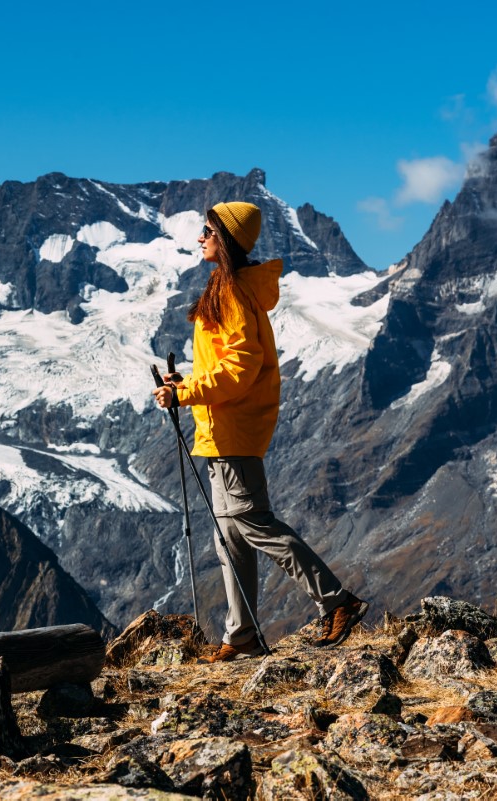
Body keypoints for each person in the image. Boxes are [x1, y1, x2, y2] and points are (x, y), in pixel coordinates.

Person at [151, 201, 368, 661]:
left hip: (231, 430)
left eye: (208, 230)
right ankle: (242, 636)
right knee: (229, 533)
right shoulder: (230, 288)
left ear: (225, 238)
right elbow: (227, 366)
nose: (200, 237)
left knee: (252, 523)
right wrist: (185, 383)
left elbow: (239, 369)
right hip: (224, 430)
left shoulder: (231, 293)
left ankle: (337, 601)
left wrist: (186, 394)